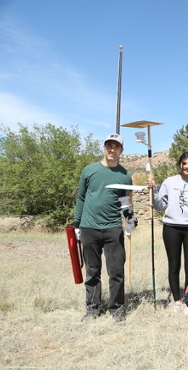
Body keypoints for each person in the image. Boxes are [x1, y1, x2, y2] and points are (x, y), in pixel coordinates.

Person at [74, 133, 134, 322]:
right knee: (92, 270)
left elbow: (125, 201)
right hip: (89, 227)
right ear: (104, 147)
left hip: (113, 228)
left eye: (116, 146)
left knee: (116, 271)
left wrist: (129, 216)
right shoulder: (89, 170)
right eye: (109, 145)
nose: (111, 149)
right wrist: (77, 224)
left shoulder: (125, 175)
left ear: (121, 151)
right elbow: (81, 197)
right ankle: (92, 309)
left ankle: (116, 309)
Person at [147, 152, 188, 312]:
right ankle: (177, 301)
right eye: (184, 163)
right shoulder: (170, 182)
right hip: (171, 228)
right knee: (174, 265)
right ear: (180, 165)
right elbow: (160, 205)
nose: (187, 166)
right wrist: (154, 191)